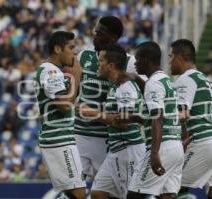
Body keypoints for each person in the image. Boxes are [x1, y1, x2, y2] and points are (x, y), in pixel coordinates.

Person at [75, 16, 136, 184]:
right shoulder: (84, 56)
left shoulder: (129, 62)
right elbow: (75, 91)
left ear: (114, 38)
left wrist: (94, 113)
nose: (95, 36)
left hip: (106, 137)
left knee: (107, 191)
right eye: (95, 32)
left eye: (100, 33)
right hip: (79, 133)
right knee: (74, 187)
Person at [78, 43, 145, 199]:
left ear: (111, 66)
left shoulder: (125, 86)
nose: (97, 65)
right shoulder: (114, 86)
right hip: (115, 150)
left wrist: (91, 113)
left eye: (101, 61)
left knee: (130, 196)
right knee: (98, 192)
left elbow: (123, 121)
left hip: (128, 150)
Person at [170, 39, 212, 199]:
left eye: (171, 57)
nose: (169, 61)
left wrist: (155, 119)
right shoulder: (208, 81)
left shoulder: (185, 79)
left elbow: (183, 115)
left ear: (179, 57)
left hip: (205, 141)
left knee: (170, 186)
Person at [127, 41, 184, 199]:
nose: (135, 63)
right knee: (167, 196)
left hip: (162, 147)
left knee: (134, 195)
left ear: (146, 59)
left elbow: (157, 117)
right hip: (175, 146)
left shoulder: (154, 83)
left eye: (137, 59)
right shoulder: (165, 81)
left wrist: (154, 152)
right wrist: (136, 79)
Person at [34, 31, 85, 199]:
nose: (74, 52)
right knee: (78, 194)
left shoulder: (56, 71)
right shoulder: (50, 71)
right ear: (57, 49)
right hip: (58, 139)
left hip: (61, 137)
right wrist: (76, 77)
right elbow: (64, 105)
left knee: (72, 194)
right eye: (71, 47)